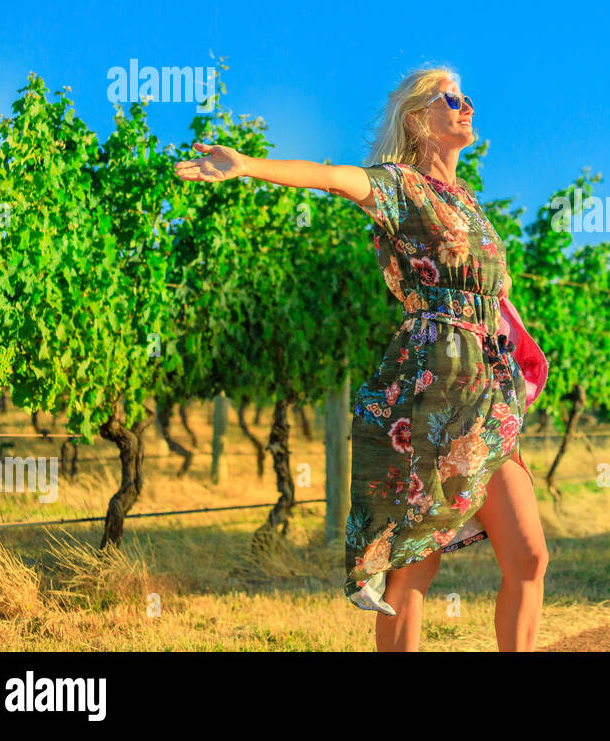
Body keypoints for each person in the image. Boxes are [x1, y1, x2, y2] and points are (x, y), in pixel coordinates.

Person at [173, 67, 549, 651]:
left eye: (468, 96)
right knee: (412, 567)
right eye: (451, 98)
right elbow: (330, 178)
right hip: (429, 391)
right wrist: (248, 165)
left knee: (529, 555)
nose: (466, 105)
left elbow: (492, 293)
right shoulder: (400, 185)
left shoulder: (470, 203)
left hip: (485, 393)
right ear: (418, 117)